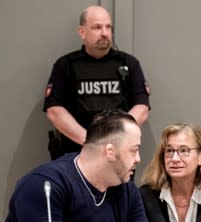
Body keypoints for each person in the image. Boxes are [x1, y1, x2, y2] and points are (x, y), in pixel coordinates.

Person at [0, 111, 156, 222]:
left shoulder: (127, 191)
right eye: (134, 150)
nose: (139, 159)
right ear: (110, 152)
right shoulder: (44, 185)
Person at [43, 5, 151, 159]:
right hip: (76, 152)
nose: (105, 33)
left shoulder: (128, 63)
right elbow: (54, 111)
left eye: (108, 27)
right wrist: (90, 142)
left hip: (118, 153)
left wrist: (115, 138)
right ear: (82, 32)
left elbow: (142, 108)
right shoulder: (65, 65)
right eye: (97, 27)